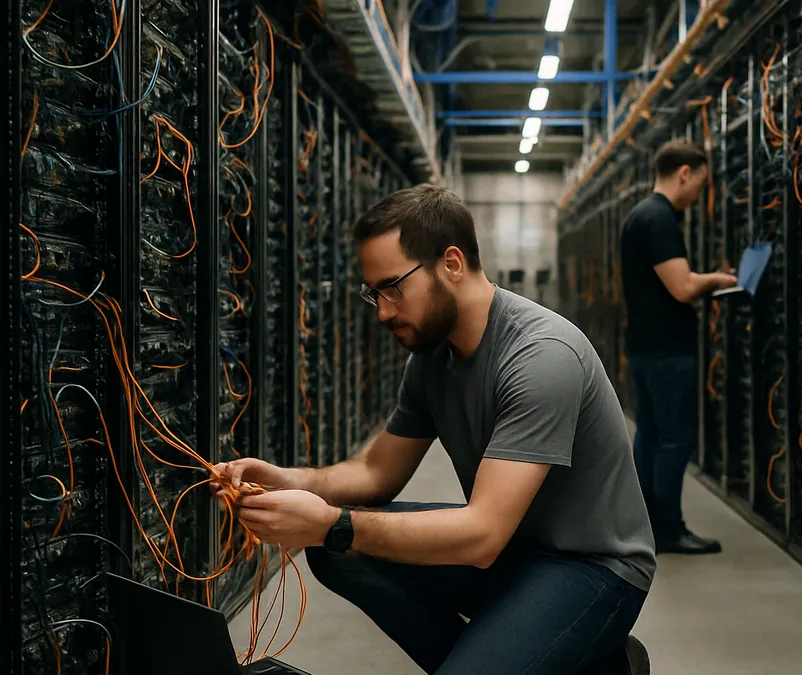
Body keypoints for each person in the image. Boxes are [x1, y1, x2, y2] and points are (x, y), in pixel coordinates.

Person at [210, 185, 655, 675]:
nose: (382, 311)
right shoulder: (433, 356)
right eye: (372, 292)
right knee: (338, 554)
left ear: (452, 263)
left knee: (339, 534)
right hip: (515, 553)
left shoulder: (542, 355)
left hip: (591, 568)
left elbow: (482, 534)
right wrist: (290, 481)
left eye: (393, 287)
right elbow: (377, 471)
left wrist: (332, 524)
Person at [619, 140, 738, 555]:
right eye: (701, 184)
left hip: (645, 346)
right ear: (684, 173)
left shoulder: (640, 215)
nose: (700, 194)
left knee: (651, 435)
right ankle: (669, 529)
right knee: (673, 440)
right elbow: (683, 287)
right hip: (667, 350)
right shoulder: (659, 219)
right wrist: (720, 281)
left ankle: (644, 523)